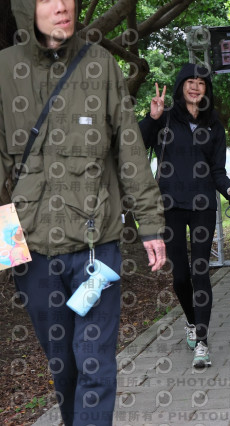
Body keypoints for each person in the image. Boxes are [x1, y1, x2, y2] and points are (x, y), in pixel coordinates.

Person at [0, 1, 166, 425]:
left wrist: (150, 225)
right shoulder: (5, 69)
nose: (63, 7)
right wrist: (5, 245)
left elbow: (130, 150)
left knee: (94, 363)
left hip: (97, 246)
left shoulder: (100, 64)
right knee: (64, 366)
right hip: (31, 249)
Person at [139, 64, 230, 368]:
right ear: (181, 85)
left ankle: (202, 341)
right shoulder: (166, 117)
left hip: (202, 207)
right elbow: (137, 143)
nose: (195, 87)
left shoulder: (214, 125)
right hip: (170, 205)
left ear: (206, 89)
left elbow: (217, 170)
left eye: (201, 83)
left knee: (200, 272)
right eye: (190, 82)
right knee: (181, 276)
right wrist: (151, 118)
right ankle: (190, 320)